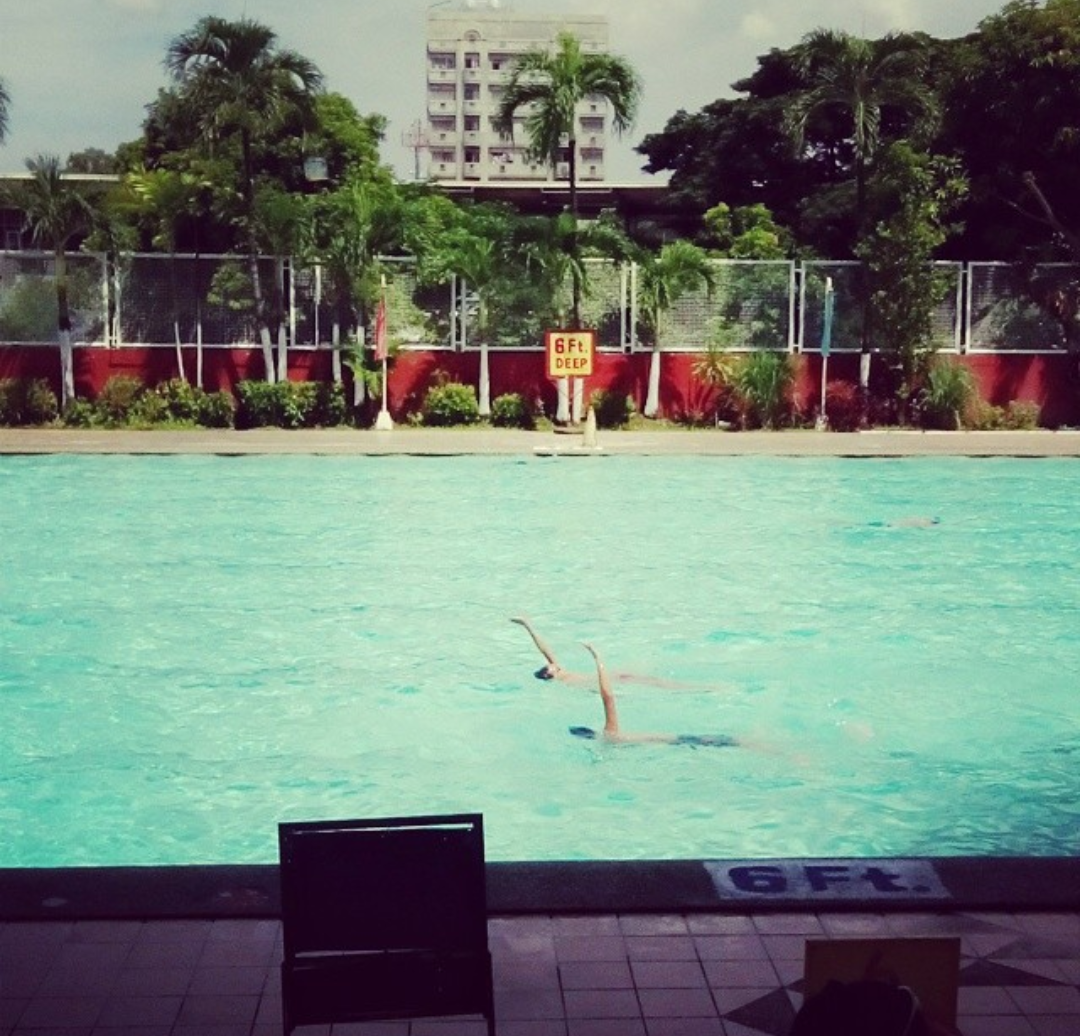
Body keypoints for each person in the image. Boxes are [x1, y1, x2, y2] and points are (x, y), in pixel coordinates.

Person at [569, 642, 739, 747]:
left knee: (720, 742)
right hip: (673, 740)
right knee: (723, 742)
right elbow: (608, 698)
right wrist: (598, 659)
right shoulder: (610, 733)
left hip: (670, 743)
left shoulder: (609, 742)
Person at [511, 616, 726, 691]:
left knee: (653, 679)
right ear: (549, 674)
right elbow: (592, 690)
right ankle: (698, 688)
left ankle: (697, 687)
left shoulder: (562, 673)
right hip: (614, 681)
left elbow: (544, 649)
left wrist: (528, 626)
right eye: (549, 666)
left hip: (614, 677)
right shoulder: (565, 680)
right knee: (653, 682)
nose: (552, 663)